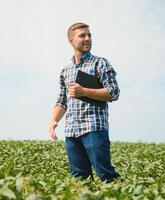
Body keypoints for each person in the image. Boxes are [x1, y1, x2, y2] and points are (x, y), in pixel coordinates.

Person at [48, 22, 121, 183]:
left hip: (94, 129)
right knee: (80, 180)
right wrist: (54, 120)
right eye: (82, 35)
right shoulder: (65, 71)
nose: (87, 38)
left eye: (89, 35)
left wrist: (84, 91)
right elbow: (62, 100)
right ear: (71, 41)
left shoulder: (100, 63)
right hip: (71, 132)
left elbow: (113, 92)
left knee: (106, 176)